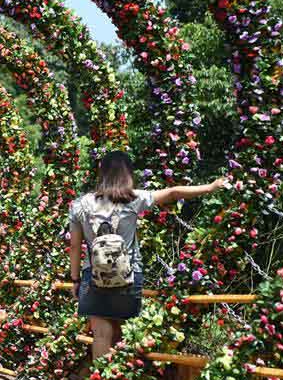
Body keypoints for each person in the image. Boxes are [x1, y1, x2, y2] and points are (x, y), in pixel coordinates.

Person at [69, 151, 230, 359]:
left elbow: (74, 245)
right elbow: (173, 193)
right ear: (127, 173)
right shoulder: (134, 198)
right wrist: (210, 187)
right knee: (120, 331)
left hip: (93, 275)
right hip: (128, 274)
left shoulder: (79, 205)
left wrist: (74, 279)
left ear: (102, 171)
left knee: (101, 333)